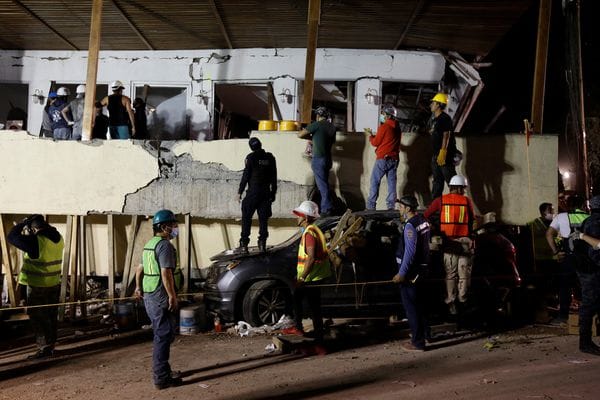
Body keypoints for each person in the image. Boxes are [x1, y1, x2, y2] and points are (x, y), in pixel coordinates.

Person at [135, 209, 184, 390]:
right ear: (164, 227)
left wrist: (138, 287)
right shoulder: (164, 246)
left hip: (149, 292)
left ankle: (164, 370)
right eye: (173, 225)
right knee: (163, 335)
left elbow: (139, 268)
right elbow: (166, 272)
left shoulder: (150, 244)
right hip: (160, 294)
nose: (175, 228)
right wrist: (172, 296)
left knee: (163, 332)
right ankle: (161, 378)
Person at [7, 214, 64, 359]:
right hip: (53, 283)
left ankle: (44, 348)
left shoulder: (37, 241)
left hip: (38, 286)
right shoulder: (58, 238)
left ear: (33, 229)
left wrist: (23, 223)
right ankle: (50, 346)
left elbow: (12, 237)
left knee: (39, 317)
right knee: (50, 315)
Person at [424, 175, 475, 315]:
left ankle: (451, 302)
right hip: (464, 242)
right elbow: (473, 221)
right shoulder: (466, 201)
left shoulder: (440, 200)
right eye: (463, 188)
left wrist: (434, 227)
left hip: (448, 243)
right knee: (464, 273)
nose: (464, 191)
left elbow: (426, 215)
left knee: (450, 274)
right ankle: (463, 300)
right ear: (459, 188)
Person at [283, 200, 331, 339]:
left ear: (305, 217)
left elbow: (310, 258)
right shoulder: (315, 230)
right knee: (313, 305)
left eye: (299, 215)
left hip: (310, 277)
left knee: (299, 300)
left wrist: (302, 278)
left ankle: (300, 328)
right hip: (315, 275)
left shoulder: (309, 233)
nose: (297, 218)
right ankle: (317, 330)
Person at [393, 195, 430, 351]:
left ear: (408, 209)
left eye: (401, 207)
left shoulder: (410, 226)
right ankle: (426, 335)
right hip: (422, 268)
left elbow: (409, 252)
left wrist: (402, 273)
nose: (399, 209)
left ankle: (417, 342)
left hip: (411, 272)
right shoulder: (423, 221)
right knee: (421, 304)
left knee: (411, 307)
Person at [546, 194, 589, 324]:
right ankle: (588, 317)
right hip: (586, 258)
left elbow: (549, 234)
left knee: (565, 287)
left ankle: (563, 316)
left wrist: (556, 252)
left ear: (568, 204)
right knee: (587, 287)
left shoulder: (561, 217)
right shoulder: (590, 218)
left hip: (567, 258)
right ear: (583, 205)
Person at [569, 195, 600, 355]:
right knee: (589, 304)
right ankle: (585, 342)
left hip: (588, 268)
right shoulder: (595, 223)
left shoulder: (588, 221)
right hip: (591, 270)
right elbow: (596, 248)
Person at [237, 137, 277, 254]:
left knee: (246, 218)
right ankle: (262, 243)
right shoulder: (270, 158)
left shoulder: (250, 158)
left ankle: (244, 244)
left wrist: (239, 192)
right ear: (261, 144)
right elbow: (274, 177)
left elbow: (246, 176)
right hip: (265, 194)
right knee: (263, 220)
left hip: (253, 193)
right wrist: (273, 193)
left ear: (251, 147)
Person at [298, 107, 336, 217]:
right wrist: (315, 137)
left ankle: (327, 208)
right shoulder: (332, 127)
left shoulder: (317, 125)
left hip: (318, 159)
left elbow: (300, 134)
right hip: (328, 159)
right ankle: (326, 205)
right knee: (324, 183)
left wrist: (310, 136)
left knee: (322, 185)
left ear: (318, 116)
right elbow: (331, 141)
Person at [366, 104, 401, 210]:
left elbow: (376, 142)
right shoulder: (397, 128)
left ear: (387, 115)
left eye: (383, 114)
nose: (382, 115)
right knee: (391, 183)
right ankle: (391, 206)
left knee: (374, 181)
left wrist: (371, 135)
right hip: (394, 159)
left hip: (383, 158)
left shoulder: (384, 126)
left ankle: (371, 206)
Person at [429, 92, 458, 199]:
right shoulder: (434, 120)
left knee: (451, 180)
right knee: (437, 181)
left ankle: (456, 201)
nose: (431, 105)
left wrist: (443, 151)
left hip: (445, 155)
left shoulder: (444, 118)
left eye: (433, 103)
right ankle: (436, 205)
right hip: (436, 155)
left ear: (438, 105)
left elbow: (446, 135)